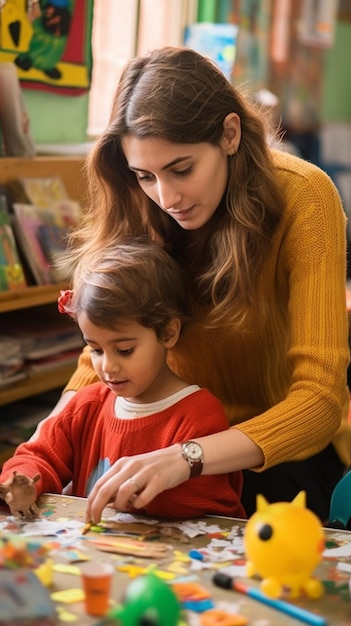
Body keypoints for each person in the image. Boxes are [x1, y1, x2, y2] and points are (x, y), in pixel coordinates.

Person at [40, 46, 351, 524]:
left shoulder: (305, 197)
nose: (167, 197)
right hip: (164, 433)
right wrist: (48, 441)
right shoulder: (138, 202)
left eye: (181, 169)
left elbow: (320, 401)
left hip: (278, 450)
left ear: (230, 134)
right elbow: (102, 345)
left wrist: (188, 456)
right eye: (146, 175)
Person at [0, 239, 245, 521]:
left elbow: (214, 512)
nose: (108, 366)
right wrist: (26, 483)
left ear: (167, 333)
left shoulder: (198, 414)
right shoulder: (87, 404)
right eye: (95, 349)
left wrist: (145, 490)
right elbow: (37, 456)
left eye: (125, 350)